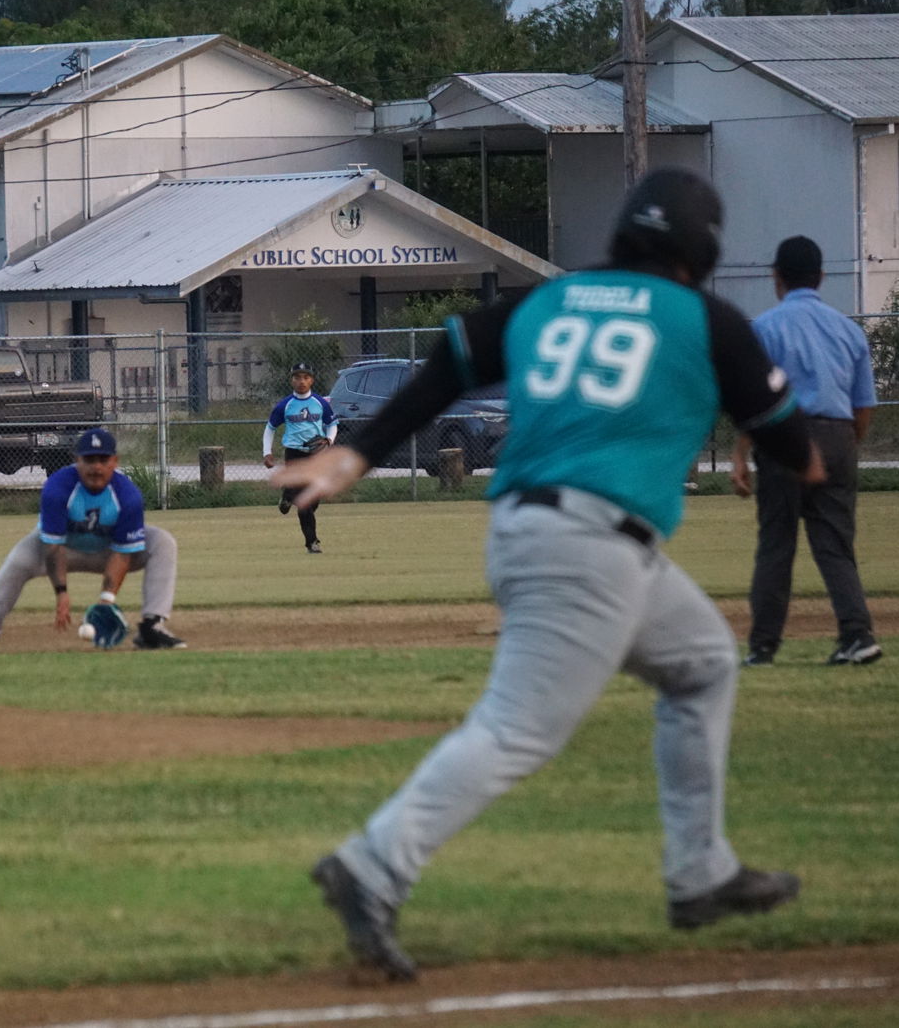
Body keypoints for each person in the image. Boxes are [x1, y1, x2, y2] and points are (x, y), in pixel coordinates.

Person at [274, 168, 823, 982]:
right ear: (702, 248)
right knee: (515, 730)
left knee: (704, 662)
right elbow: (790, 445)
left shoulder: (551, 300)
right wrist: (807, 454)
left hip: (549, 530)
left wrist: (362, 448)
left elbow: (450, 361)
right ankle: (372, 865)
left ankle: (700, 873)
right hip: (590, 546)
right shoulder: (707, 320)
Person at [731, 236, 881, 667]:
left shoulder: (764, 327)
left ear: (776, 276)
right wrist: (845, 445)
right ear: (821, 277)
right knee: (835, 546)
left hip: (785, 436)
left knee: (777, 544)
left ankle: (763, 647)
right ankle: (857, 636)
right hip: (838, 434)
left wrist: (742, 453)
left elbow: (757, 398)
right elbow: (863, 406)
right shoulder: (848, 330)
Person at [0, 426, 186, 653]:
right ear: (77, 460)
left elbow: (122, 553)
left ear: (114, 461)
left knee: (162, 541)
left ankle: (152, 627)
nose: (96, 466)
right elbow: (53, 547)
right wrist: (62, 594)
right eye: (89, 459)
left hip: (109, 552)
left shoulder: (127, 495)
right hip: (60, 550)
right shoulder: (58, 487)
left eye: (103, 459)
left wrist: (106, 600)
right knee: (18, 562)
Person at [262, 361, 338, 554]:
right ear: (291, 381)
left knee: (313, 501)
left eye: (305, 377)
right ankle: (312, 542)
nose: (301, 381)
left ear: (312, 380)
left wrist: (328, 441)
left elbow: (332, 425)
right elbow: (270, 429)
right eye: (297, 377)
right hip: (294, 453)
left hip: (316, 454)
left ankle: (288, 494)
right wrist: (267, 452)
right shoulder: (285, 405)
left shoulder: (320, 403)